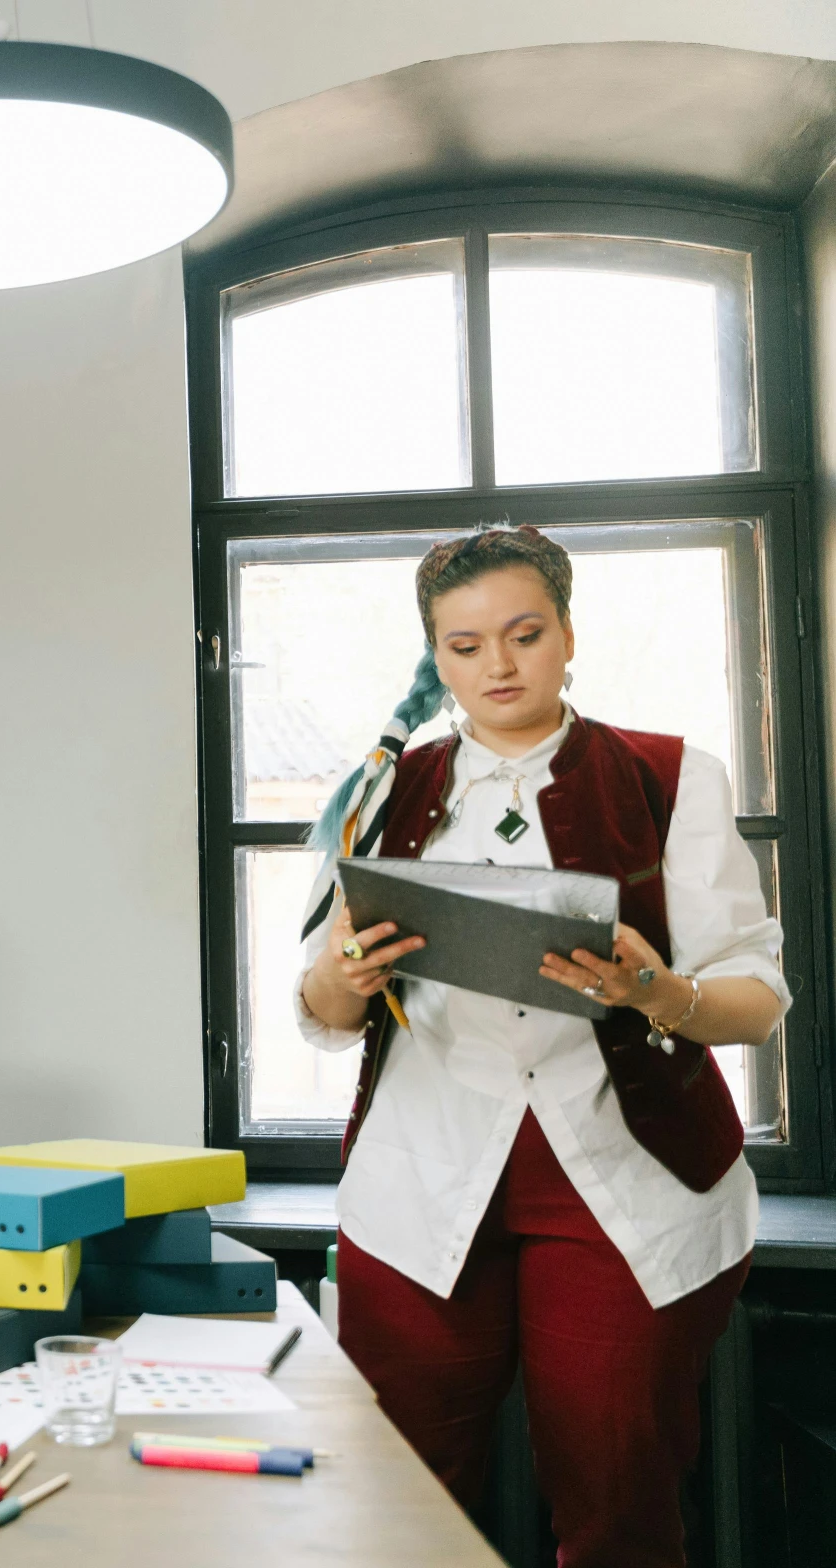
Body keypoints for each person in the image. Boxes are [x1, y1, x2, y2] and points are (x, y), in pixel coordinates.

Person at [294, 524, 783, 1568]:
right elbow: (323, 1008)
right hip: (420, 1179)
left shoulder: (667, 774)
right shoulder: (382, 791)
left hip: (627, 1175)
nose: (498, 665)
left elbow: (754, 1000)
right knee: (398, 1509)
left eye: (523, 633)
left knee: (618, 1508)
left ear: (567, 632)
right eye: (464, 646)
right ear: (437, 656)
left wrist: (653, 988)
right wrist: (344, 978)